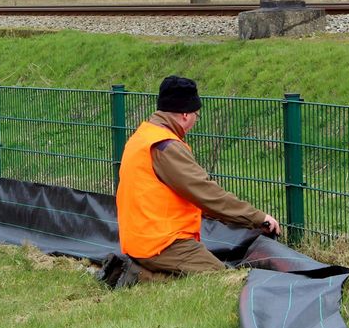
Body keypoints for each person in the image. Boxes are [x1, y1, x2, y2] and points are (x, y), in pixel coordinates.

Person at [111, 75, 280, 285]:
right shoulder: (166, 147)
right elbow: (206, 194)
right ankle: (140, 276)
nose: (194, 122)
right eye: (196, 115)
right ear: (184, 115)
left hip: (138, 240)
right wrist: (257, 218)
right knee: (221, 280)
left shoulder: (143, 136)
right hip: (163, 243)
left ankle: (139, 268)